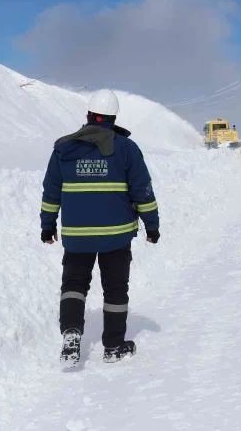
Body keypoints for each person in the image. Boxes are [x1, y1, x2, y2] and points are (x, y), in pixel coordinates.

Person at [40, 89, 160, 366]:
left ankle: (71, 334)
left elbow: (51, 192)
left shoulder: (64, 149)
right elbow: (143, 191)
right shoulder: (127, 149)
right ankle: (114, 346)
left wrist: (47, 227)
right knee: (115, 289)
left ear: (88, 115)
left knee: (73, 285)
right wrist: (151, 227)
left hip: (77, 237)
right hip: (116, 237)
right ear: (113, 117)